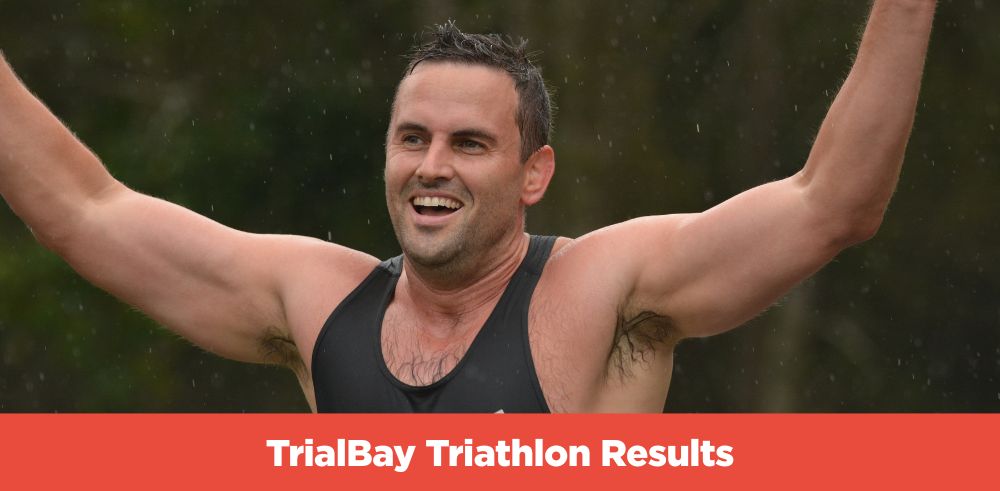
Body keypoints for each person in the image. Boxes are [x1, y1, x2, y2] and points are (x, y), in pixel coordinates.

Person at [0, 0, 937, 412]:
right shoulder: (314, 301)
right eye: (412, 138)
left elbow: (832, 203)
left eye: (470, 144)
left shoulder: (610, 290)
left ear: (535, 173)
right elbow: (83, 209)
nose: (431, 167)